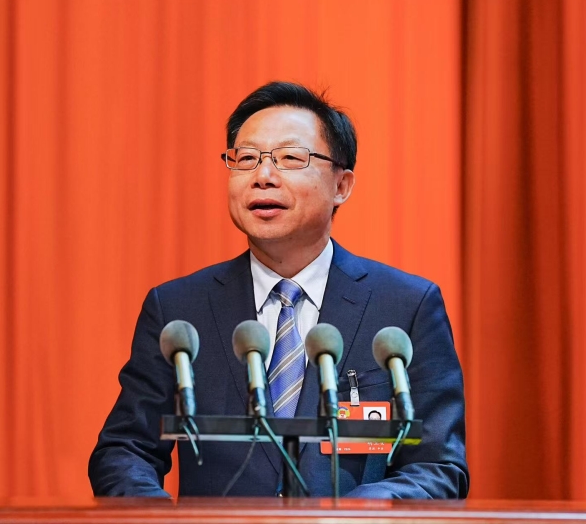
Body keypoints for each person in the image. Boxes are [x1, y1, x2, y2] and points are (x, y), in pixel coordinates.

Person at [89, 82, 468, 498]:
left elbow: (438, 466)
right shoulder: (179, 309)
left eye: (290, 158)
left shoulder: (405, 307)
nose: (263, 177)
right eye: (246, 159)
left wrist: (355, 514)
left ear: (341, 186)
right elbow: (125, 450)